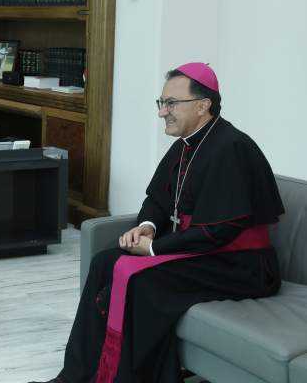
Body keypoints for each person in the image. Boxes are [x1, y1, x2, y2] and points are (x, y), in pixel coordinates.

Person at [29, 63, 284, 383]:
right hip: (205, 253)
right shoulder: (185, 145)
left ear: (203, 105)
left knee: (139, 280)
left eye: (171, 103)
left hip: (242, 265)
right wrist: (148, 226)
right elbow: (158, 200)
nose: (163, 112)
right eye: (161, 103)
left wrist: (155, 249)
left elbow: (218, 230)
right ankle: (75, 376)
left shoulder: (232, 147)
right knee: (104, 262)